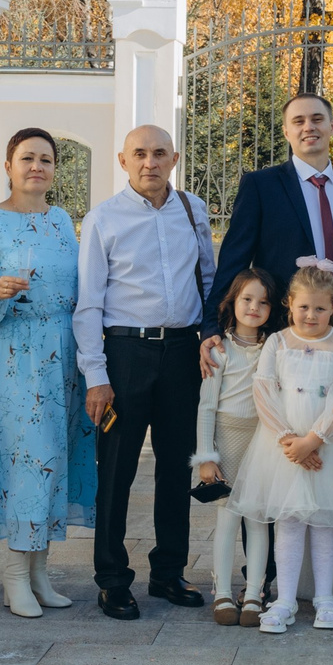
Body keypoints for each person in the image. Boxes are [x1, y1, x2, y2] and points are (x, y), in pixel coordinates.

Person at [77, 124, 217, 613]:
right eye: (140, 154)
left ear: (174, 158)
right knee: (116, 469)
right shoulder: (103, 219)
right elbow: (89, 304)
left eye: (159, 153)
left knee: (178, 467)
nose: (150, 163)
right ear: (122, 160)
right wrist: (96, 375)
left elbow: (209, 279)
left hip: (182, 354)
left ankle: (169, 572)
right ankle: (112, 577)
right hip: (125, 355)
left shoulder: (192, 209)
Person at [0, 128, 98, 618]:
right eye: (27, 158)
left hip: (66, 353)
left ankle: (40, 570)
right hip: (18, 352)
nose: (36, 166)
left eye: (45, 159)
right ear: (8, 165)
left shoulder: (62, 220)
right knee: (26, 458)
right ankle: (14, 574)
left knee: (56, 457)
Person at [236, 263, 333, 633]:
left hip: (330, 446)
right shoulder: (277, 342)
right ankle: (284, 599)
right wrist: (290, 441)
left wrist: (313, 440)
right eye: (303, 307)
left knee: (323, 522)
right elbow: (263, 388)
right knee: (289, 520)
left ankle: (325, 598)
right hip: (281, 447)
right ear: (289, 304)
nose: (311, 315)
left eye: (320, 308)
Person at [202, 92, 333, 355]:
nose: (308, 127)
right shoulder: (261, 185)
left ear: (332, 125)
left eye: (317, 119)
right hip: (281, 333)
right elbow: (234, 261)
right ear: (286, 131)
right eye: (298, 121)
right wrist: (211, 325)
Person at [194, 268, 278, 624]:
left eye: (263, 302)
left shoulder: (274, 348)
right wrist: (206, 457)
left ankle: (255, 593)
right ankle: (223, 592)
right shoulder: (219, 349)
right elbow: (206, 406)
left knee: (258, 519)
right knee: (227, 517)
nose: (254, 307)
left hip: (261, 441)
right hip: (227, 438)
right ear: (233, 302)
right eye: (247, 299)